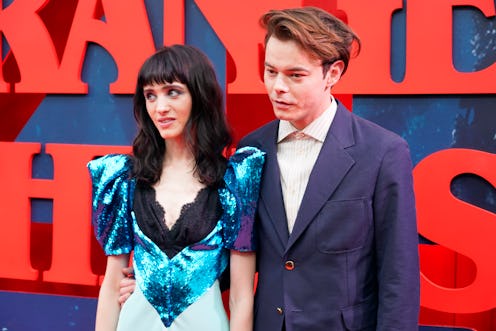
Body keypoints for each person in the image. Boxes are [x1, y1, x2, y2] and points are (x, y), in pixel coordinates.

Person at [119, 6, 420, 331]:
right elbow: (236, 255)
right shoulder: (252, 151)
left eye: (295, 75)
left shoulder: (382, 153)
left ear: (333, 73)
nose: (277, 86)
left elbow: (398, 277)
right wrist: (160, 286)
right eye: (270, 71)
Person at [88, 45, 264, 331]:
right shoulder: (125, 179)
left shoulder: (233, 181)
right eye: (150, 95)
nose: (160, 107)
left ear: (200, 95)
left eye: (173, 92)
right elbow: (111, 285)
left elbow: (241, 298)